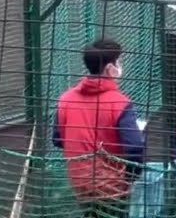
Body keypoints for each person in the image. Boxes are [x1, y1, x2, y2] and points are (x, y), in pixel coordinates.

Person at [53, 38, 146, 218]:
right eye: (119, 62)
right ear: (110, 68)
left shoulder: (66, 99)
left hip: (80, 182)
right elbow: (135, 149)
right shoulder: (119, 103)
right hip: (112, 187)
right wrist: (129, 178)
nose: (120, 66)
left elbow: (57, 139)